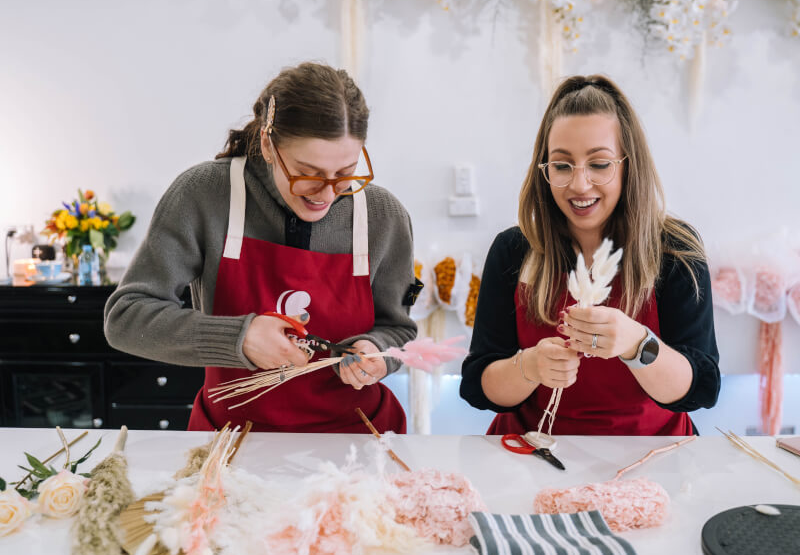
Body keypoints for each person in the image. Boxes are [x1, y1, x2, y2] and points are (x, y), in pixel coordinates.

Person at [105, 62, 417, 433]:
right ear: (269, 145)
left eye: (346, 173)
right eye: (308, 173)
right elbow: (126, 319)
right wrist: (240, 338)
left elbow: (400, 331)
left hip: (358, 438)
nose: (329, 192)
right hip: (233, 441)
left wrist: (377, 351)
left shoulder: (383, 216)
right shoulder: (205, 195)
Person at [460, 75, 720, 436]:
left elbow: (702, 389)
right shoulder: (513, 251)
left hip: (651, 452)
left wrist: (637, 344)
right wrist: (530, 366)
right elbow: (478, 385)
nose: (579, 185)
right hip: (533, 451)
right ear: (544, 169)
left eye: (599, 164)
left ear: (628, 165)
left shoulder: (675, 251)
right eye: (562, 166)